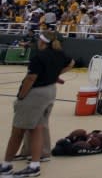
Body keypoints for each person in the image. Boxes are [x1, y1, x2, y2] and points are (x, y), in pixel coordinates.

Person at [1, 30, 74, 178]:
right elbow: (71, 63)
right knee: (37, 129)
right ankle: (34, 165)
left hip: (35, 94)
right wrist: (55, 74)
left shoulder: (38, 57)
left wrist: (21, 96)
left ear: (42, 42)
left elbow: (30, 79)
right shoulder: (59, 53)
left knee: (18, 131)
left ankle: (6, 166)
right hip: (50, 91)